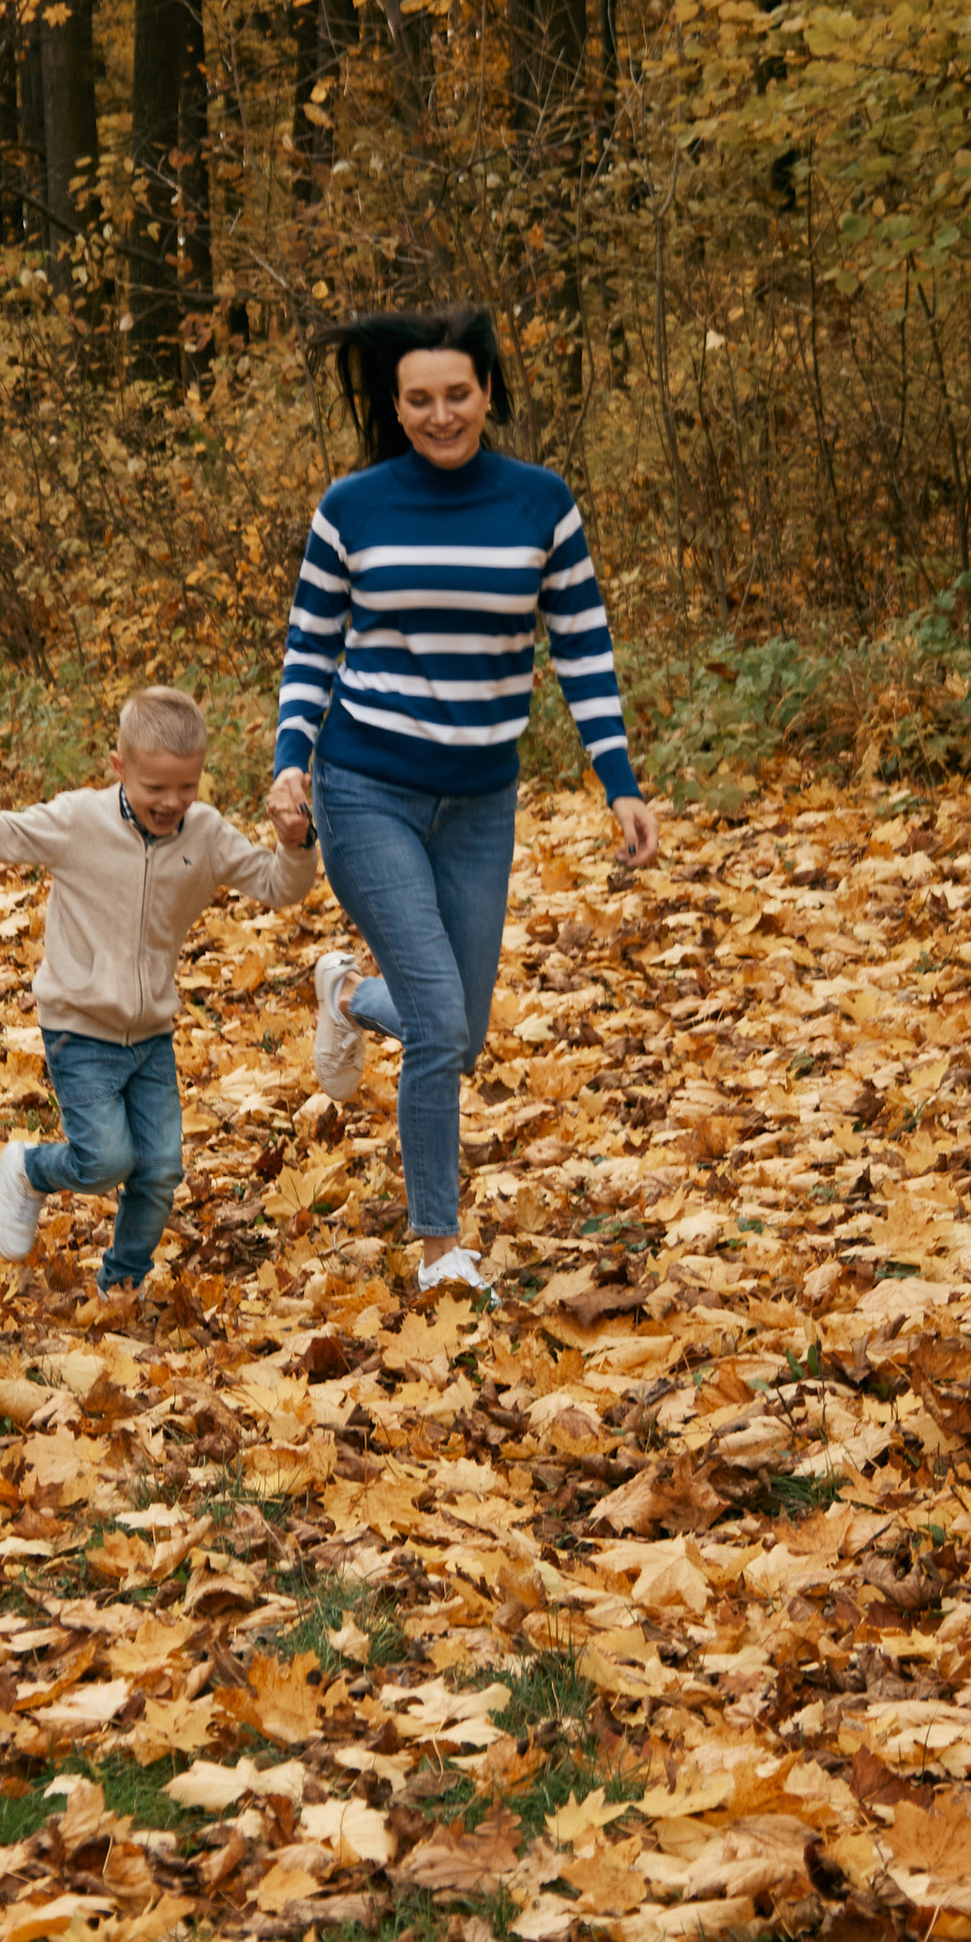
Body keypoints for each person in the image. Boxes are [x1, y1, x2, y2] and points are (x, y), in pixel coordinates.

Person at [265, 303, 657, 1296]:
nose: (441, 415)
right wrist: (290, 760)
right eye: (419, 399)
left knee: (460, 1029)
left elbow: (582, 647)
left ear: (487, 393)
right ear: (394, 407)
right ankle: (440, 1247)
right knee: (441, 1025)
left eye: (458, 395)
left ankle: (347, 997)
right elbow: (312, 645)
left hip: (480, 803)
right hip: (367, 790)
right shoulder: (351, 508)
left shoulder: (540, 505)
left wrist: (620, 784)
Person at [0, 684, 316, 1296]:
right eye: (155, 787)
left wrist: (296, 843)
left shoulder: (203, 832)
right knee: (104, 1161)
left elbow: (276, 884)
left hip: (150, 1033)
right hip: (79, 1028)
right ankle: (29, 1169)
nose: (172, 802)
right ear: (120, 767)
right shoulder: (79, 821)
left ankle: (121, 1282)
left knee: (159, 1171)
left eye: (187, 786)